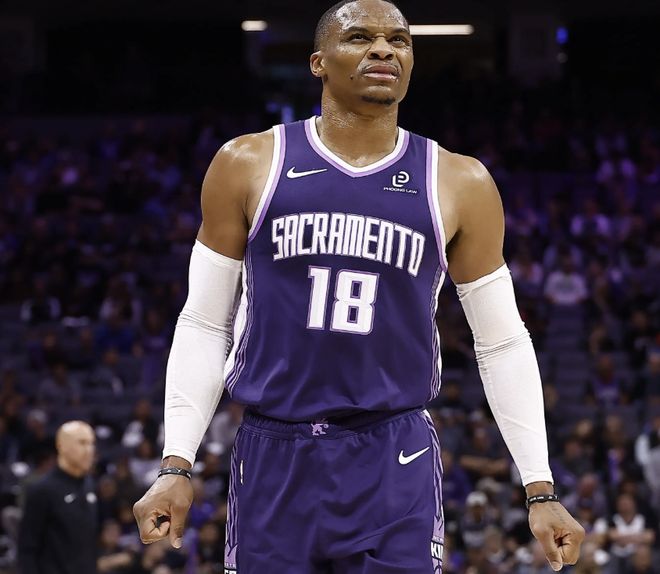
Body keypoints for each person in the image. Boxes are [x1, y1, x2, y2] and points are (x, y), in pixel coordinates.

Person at [133, 0, 585, 572]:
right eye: (360, 37)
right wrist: (176, 463)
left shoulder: (459, 180)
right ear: (318, 62)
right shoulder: (247, 162)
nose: (383, 50)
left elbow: (502, 341)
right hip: (274, 450)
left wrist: (540, 487)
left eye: (399, 40)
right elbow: (204, 321)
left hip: (394, 451)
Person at [18, 420, 97, 574]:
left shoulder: (89, 485)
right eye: (82, 443)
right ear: (62, 446)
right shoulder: (42, 490)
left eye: (91, 443)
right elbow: (27, 549)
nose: (89, 450)